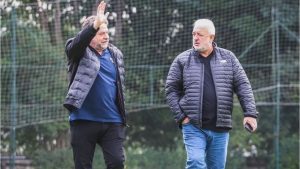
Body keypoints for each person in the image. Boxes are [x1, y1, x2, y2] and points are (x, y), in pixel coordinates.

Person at [165, 19, 258, 169]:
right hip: (193, 126)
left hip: (220, 127)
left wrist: (250, 113)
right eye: (193, 34)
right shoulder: (181, 60)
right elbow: (171, 90)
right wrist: (182, 117)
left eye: (200, 35)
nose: (195, 38)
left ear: (211, 37)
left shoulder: (229, 58)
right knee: (195, 162)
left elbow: (243, 86)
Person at [63, 1, 127, 169]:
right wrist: (94, 25)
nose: (106, 36)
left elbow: (119, 87)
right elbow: (76, 45)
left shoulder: (116, 54)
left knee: (117, 163)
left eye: (107, 32)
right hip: (83, 120)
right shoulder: (78, 52)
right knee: (82, 165)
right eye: (100, 33)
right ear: (89, 35)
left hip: (112, 121)